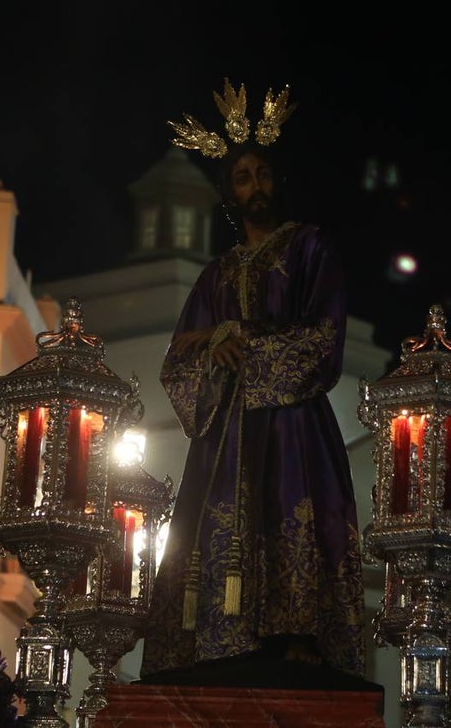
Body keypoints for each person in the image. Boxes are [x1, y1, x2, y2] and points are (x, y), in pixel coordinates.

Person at [139, 80, 365, 682]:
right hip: (225, 437)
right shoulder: (215, 275)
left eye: (263, 173)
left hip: (293, 425)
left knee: (295, 512)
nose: (255, 186)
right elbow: (178, 360)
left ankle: (297, 635)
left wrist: (247, 345)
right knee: (213, 531)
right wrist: (217, 343)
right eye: (242, 178)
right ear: (228, 194)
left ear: (277, 179)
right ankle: (212, 637)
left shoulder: (311, 247)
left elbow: (324, 337)